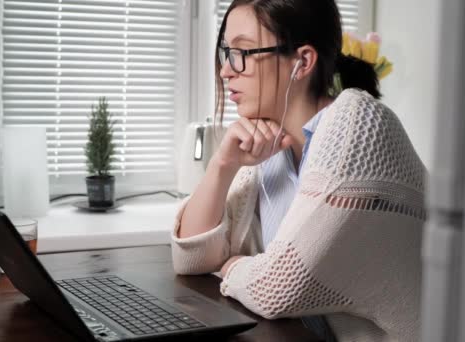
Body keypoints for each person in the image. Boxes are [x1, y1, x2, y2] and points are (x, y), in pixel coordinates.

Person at [171, 0, 426, 341]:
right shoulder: (271, 146)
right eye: (226, 52)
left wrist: (231, 266)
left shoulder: (359, 123)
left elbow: (277, 289)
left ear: (302, 62)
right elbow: (192, 259)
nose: (225, 71)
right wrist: (223, 165)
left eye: (242, 53)